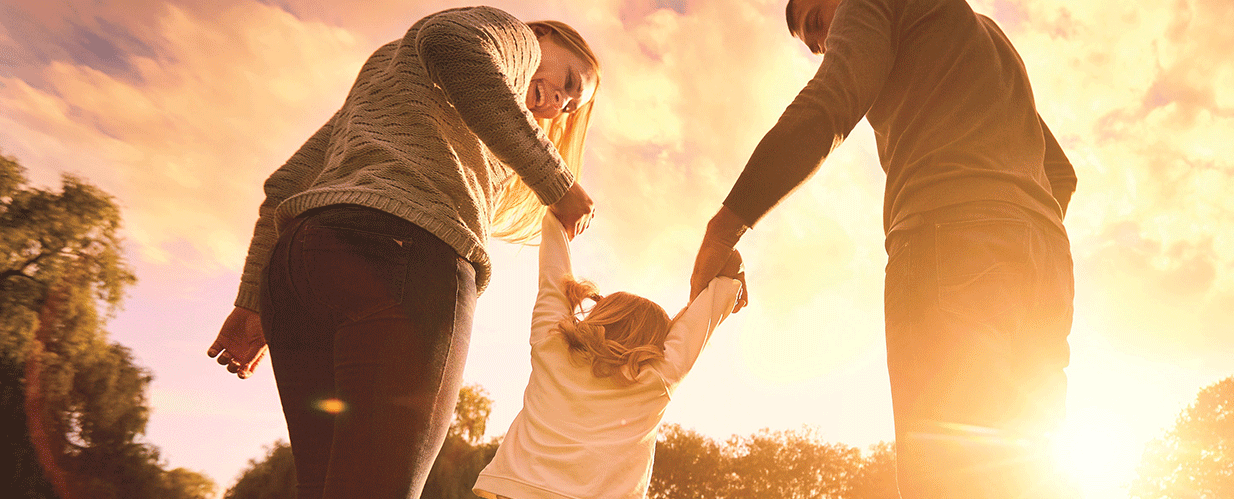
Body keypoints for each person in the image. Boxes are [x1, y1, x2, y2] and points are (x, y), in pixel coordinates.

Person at [204, 7, 602, 498]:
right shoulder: (513, 38)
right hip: (404, 256)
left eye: (568, 106)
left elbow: (287, 183)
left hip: (297, 271)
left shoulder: (392, 72)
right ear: (542, 35)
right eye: (566, 79)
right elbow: (451, 42)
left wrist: (252, 302)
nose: (559, 101)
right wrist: (556, 182)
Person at [687, 0, 1077, 497]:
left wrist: (724, 229)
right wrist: (1011, 230)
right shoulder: (984, 35)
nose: (823, 43)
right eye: (814, 45)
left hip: (947, 240)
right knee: (1026, 472)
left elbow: (832, 102)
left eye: (816, 22)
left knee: (944, 476)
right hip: (1046, 265)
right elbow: (1060, 173)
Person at [473, 212, 745, 499]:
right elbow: (726, 271)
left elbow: (553, 277)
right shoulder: (658, 377)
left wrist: (560, 217)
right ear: (659, 341)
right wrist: (721, 287)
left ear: (601, 315)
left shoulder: (552, 345)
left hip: (519, 489)